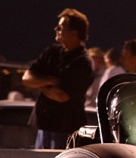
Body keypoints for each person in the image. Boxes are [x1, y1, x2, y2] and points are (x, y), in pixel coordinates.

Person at [22, 8, 94, 149]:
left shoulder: (83, 63)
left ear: (74, 34)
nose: (56, 29)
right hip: (43, 127)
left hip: (64, 129)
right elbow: (27, 78)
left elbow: (62, 96)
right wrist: (49, 81)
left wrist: (39, 84)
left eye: (61, 27)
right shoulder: (52, 53)